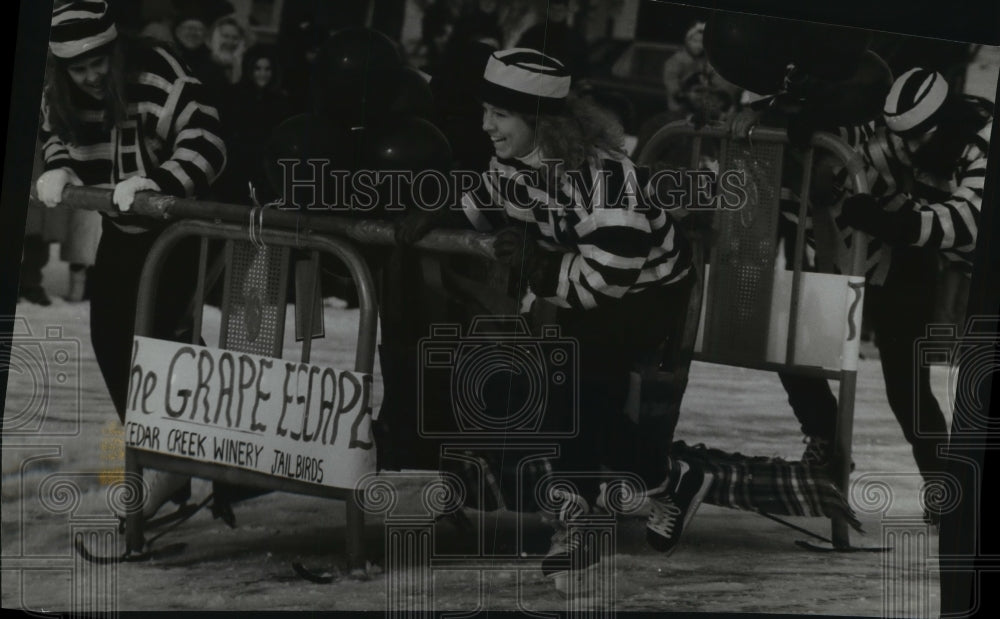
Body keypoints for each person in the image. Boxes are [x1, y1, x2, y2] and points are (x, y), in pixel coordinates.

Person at [403, 48, 709, 593]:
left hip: (646, 292)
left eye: (500, 114)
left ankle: (581, 521)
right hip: (583, 287)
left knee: (573, 381)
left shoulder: (606, 180)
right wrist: (445, 208)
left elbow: (601, 283)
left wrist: (536, 263)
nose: (485, 125)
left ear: (540, 121)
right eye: (486, 110)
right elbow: (491, 195)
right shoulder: (521, 161)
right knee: (566, 388)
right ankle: (665, 478)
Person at [36, 0, 227, 520]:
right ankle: (163, 459)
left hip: (182, 220)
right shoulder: (61, 93)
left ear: (115, 51)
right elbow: (56, 136)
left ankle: (184, 460)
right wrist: (62, 171)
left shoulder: (158, 70)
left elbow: (209, 139)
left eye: (100, 61)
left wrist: (159, 184)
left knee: (165, 338)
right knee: (112, 336)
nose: (93, 75)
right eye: (80, 67)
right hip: (126, 226)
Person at [515, 0, 590, 80]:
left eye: (560, 10)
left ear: (566, 11)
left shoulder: (576, 39)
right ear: (548, 10)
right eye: (553, 9)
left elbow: (582, 66)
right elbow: (520, 56)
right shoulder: (533, 33)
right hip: (536, 82)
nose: (556, 13)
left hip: (564, 85)